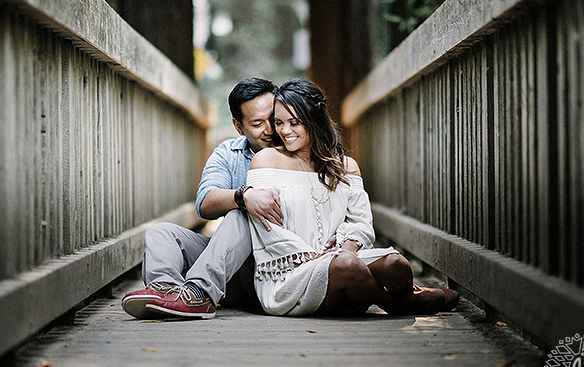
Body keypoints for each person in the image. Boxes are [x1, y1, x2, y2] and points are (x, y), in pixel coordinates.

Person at [246, 78, 459, 316]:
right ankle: (399, 303)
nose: (285, 131)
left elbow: (361, 223)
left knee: (395, 264)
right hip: (290, 280)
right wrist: (322, 258)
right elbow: (266, 229)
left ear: (315, 120)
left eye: (294, 122)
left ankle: (402, 294)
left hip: (344, 268)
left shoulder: (346, 166)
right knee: (346, 265)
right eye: (279, 123)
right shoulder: (266, 160)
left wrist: (346, 248)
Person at [121, 77, 283, 319]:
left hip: (273, 272)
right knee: (160, 233)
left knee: (242, 215)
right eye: (257, 123)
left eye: (273, 119)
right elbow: (205, 204)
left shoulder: (298, 145)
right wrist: (243, 195)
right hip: (230, 272)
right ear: (239, 126)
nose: (270, 130)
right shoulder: (229, 153)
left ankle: (199, 293)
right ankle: (167, 294)